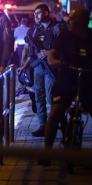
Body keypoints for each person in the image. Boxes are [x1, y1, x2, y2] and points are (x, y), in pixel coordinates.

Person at [42, 9, 92, 164]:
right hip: (67, 77)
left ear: (84, 21)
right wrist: (53, 60)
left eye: (73, 19)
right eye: (69, 18)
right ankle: (46, 153)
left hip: (88, 78)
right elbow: (53, 52)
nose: (69, 22)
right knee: (55, 111)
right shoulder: (65, 35)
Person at [19, 4, 63, 137]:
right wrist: (24, 65)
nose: (35, 16)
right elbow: (31, 53)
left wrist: (49, 52)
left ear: (45, 13)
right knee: (39, 97)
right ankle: (43, 125)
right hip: (38, 68)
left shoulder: (56, 28)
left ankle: (57, 122)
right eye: (35, 13)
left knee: (51, 97)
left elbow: (63, 46)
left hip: (51, 67)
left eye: (38, 13)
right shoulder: (33, 31)